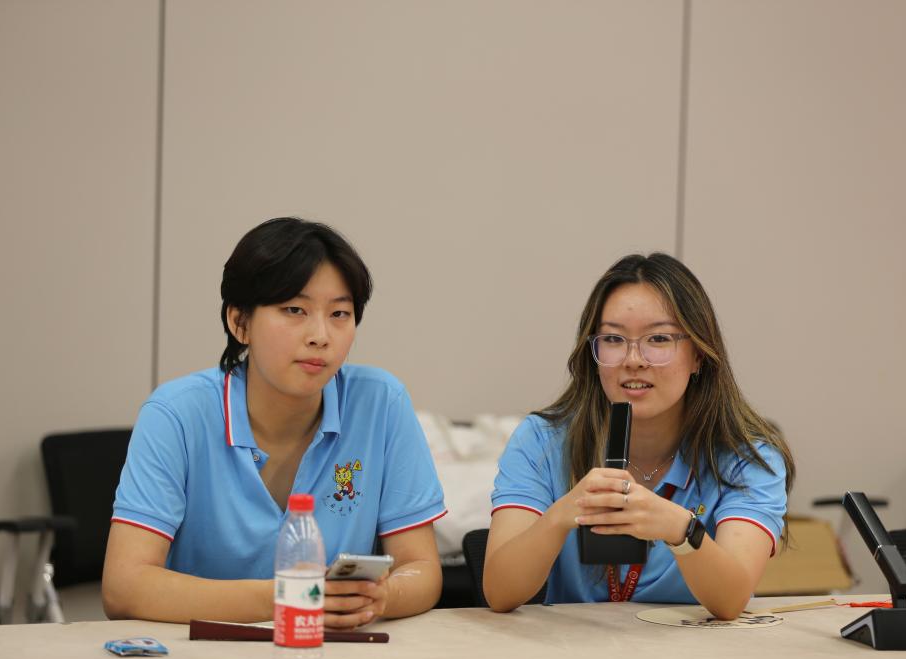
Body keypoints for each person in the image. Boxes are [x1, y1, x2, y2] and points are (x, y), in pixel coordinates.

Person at [103, 217, 446, 627]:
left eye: (340, 313)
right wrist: (292, 597)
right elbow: (124, 586)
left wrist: (381, 597)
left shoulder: (381, 403)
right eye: (294, 310)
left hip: (334, 653)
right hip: (202, 654)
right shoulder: (176, 414)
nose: (320, 335)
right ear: (239, 322)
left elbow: (421, 568)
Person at [484, 253, 794, 618]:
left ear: (698, 354)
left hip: (694, 649)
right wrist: (561, 515)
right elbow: (499, 593)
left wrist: (680, 529)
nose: (633, 360)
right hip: (573, 647)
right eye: (614, 339)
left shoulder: (748, 457)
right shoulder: (541, 441)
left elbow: (731, 601)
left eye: (658, 338)